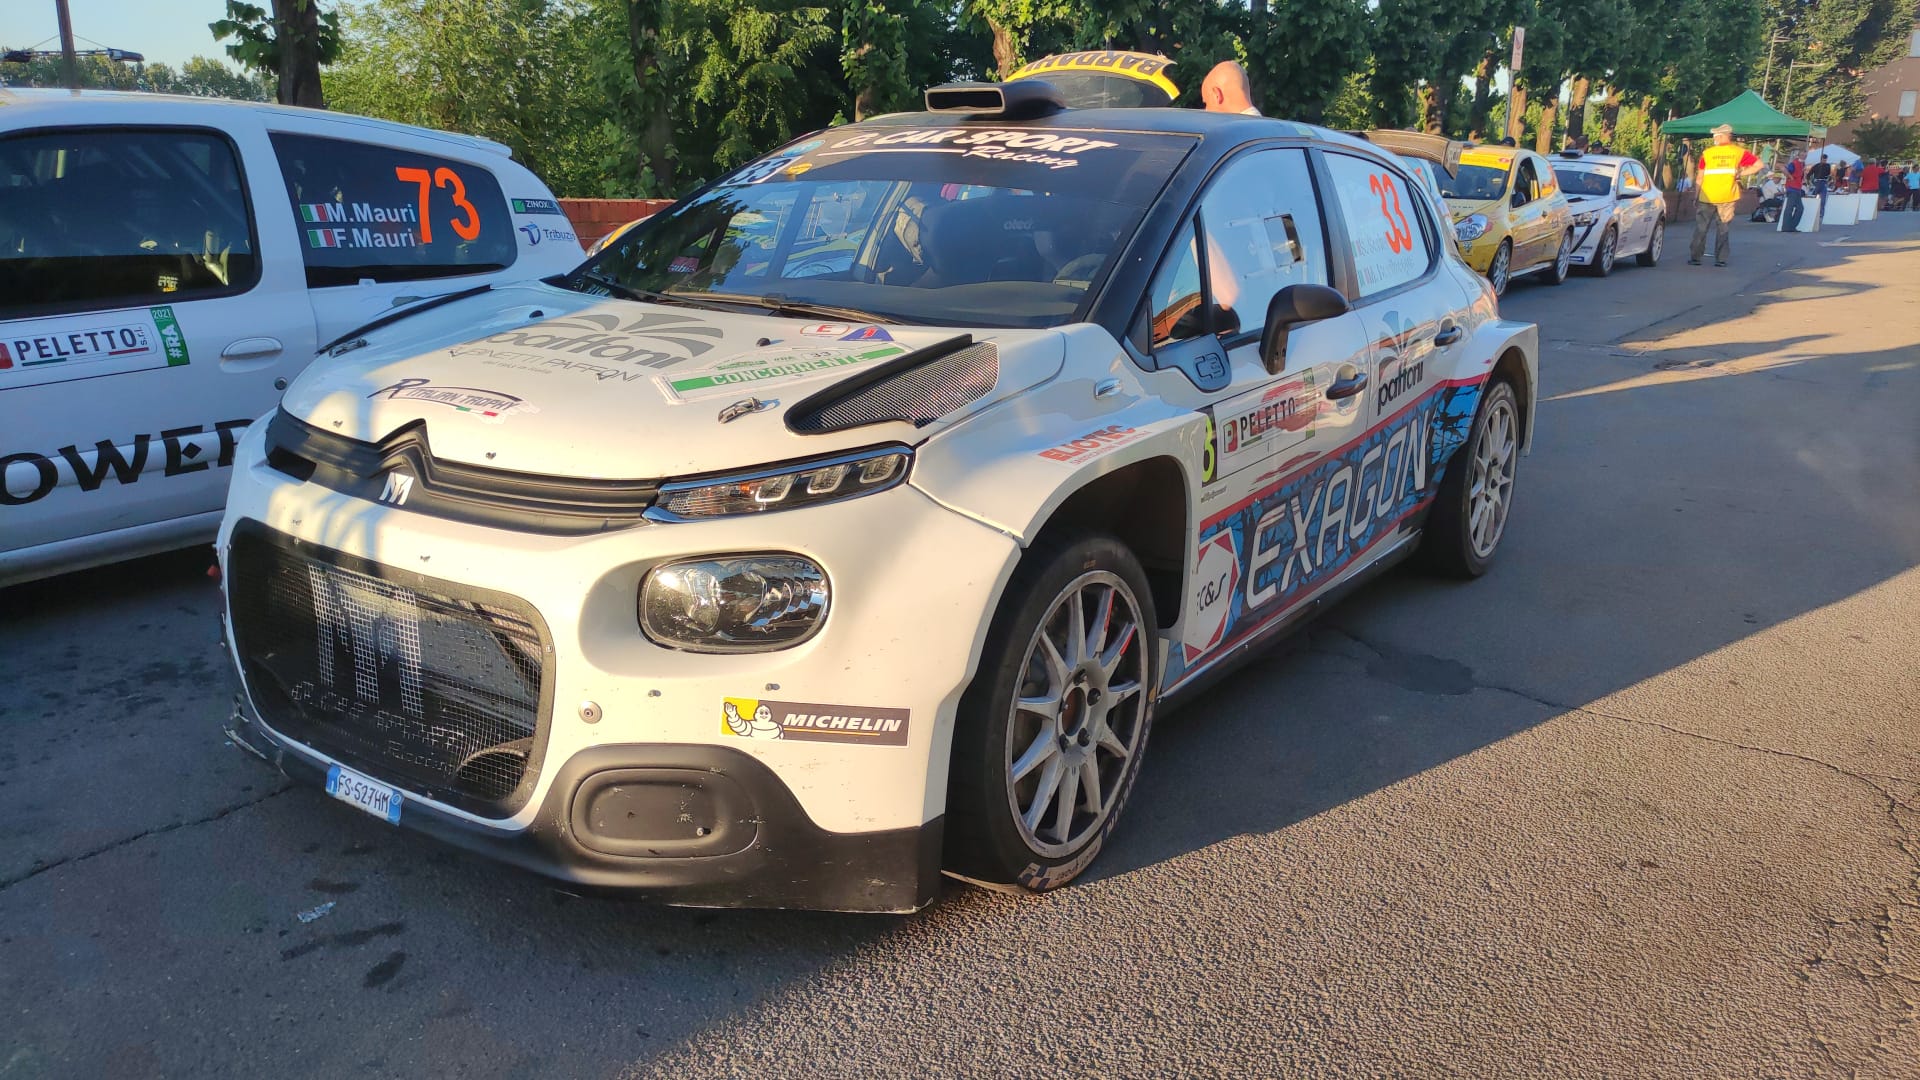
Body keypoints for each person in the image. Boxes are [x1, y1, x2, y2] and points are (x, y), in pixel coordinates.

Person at [1690, 124, 1764, 266]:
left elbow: (1700, 177)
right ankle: (1721, 259)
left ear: (1721, 136)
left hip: (1707, 197)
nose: (1714, 139)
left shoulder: (1708, 153)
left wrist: (1696, 196)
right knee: (1723, 228)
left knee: (1701, 228)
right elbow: (1759, 165)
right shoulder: (1738, 152)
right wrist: (1741, 173)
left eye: (1715, 137)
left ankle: (1695, 257)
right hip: (1727, 197)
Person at [1782, 150, 1807, 232]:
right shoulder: (1794, 163)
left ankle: (1790, 227)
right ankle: (1787, 227)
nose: (1804, 157)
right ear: (1798, 156)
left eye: (1805, 155)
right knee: (1791, 208)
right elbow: (1785, 170)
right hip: (1792, 188)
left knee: (1799, 208)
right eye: (1802, 155)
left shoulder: (1802, 164)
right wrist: (1790, 177)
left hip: (1797, 188)